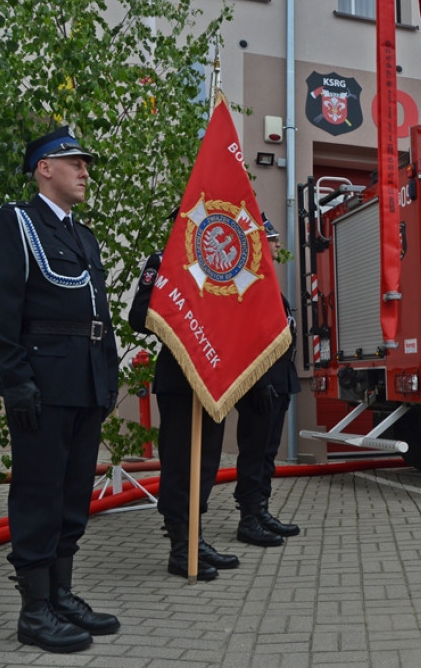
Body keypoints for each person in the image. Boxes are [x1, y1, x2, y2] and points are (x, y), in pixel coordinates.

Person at [0, 125, 120, 653]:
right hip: (41, 381)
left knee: (74, 492)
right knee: (39, 493)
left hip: (83, 381)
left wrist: (106, 376)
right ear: (45, 168)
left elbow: (97, 315)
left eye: (86, 165)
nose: (85, 172)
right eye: (75, 163)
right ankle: (34, 610)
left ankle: (61, 595)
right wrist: (14, 379)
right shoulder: (16, 221)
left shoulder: (82, 236)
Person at [128, 244, 241, 581]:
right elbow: (138, 317)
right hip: (180, 375)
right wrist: (184, 315)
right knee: (181, 464)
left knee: (206, 462)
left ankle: (196, 538)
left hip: (214, 375)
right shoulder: (163, 263)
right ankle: (181, 548)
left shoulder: (221, 268)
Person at [233, 214, 302, 546]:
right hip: (262, 384)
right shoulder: (248, 285)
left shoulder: (268, 285)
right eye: (272, 239)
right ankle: (248, 518)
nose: (277, 245)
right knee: (254, 452)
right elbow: (245, 338)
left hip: (280, 379)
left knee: (268, 453)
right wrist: (259, 382)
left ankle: (261, 510)